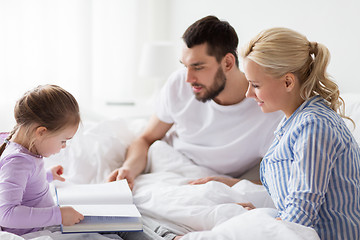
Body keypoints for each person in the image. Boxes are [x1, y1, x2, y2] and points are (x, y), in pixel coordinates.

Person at [107, 15, 283, 190]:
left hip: (212, 185)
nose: (188, 79)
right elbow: (145, 139)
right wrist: (128, 169)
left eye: (198, 67)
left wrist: (229, 184)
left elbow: (281, 183)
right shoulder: (178, 84)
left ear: (228, 63)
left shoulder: (268, 111)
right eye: (185, 66)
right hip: (167, 167)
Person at [240, 27, 360, 239]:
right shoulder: (294, 123)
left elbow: (301, 214)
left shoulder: (313, 125)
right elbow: (297, 204)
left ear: (288, 82)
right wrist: (262, 216)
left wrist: (261, 225)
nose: (248, 93)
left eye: (255, 85)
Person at [0, 85, 84, 235]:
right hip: (33, 232)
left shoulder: (24, 150)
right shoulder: (18, 162)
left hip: (42, 225)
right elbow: (6, 215)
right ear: (41, 132)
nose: (63, 146)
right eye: (63, 141)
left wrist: (46, 176)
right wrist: (59, 215)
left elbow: (21, 183)